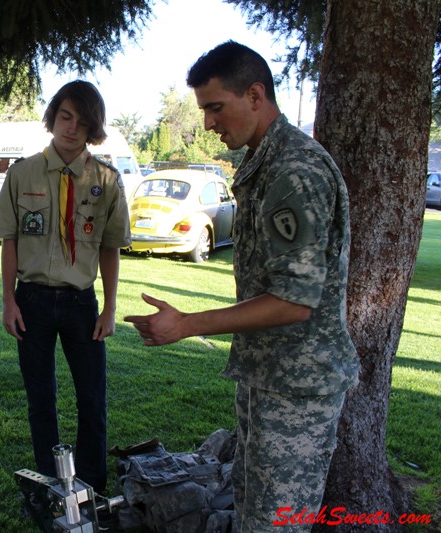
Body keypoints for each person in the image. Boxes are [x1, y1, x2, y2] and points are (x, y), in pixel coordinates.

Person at [124, 41, 360, 532]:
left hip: (299, 386)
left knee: (276, 525)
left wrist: (189, 324)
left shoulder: (294, 170)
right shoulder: (266, 161)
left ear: (255, 95)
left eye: (215, 107)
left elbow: (295, 302)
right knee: (254, 514)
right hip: (269, 375)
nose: (208, 124)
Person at [0, 80, 131, 495]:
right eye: (65, 117)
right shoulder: (22, 172)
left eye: (82, 122)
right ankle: (51, 483)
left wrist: (108, 308)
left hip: (81, 304)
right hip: (31, 300)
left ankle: (92, 485)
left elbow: (109, 247)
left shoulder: (106, 180)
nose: (71, 128)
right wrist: (8, 301)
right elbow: (9, 240)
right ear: (53, 117)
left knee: (92, 397)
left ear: (93, 129)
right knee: (40, 400)